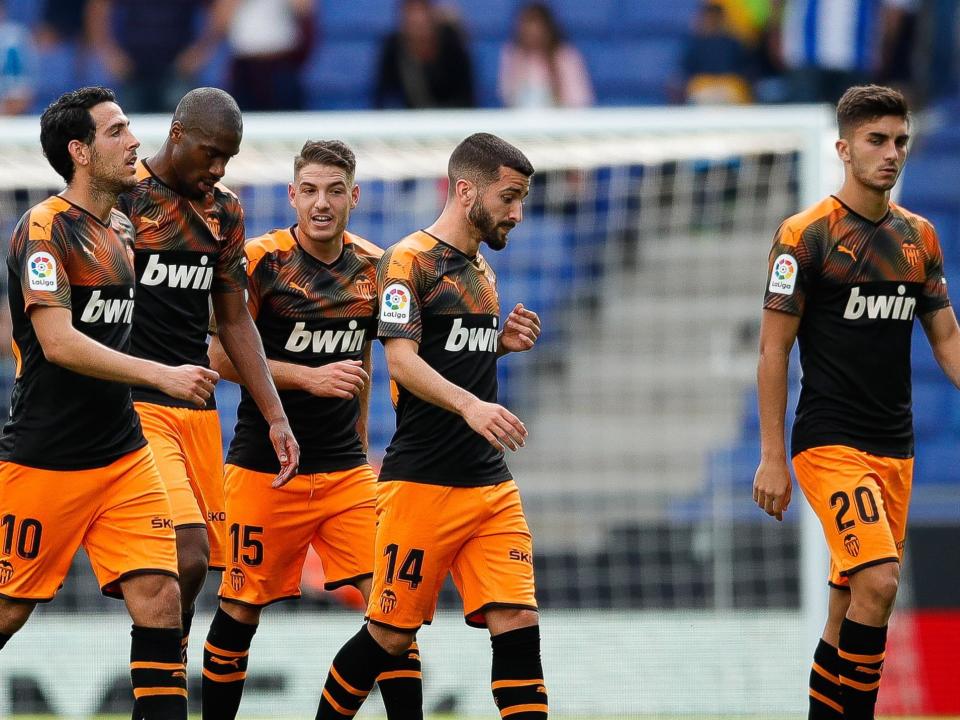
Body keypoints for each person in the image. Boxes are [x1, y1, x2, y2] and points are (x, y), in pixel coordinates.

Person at [0, 86, 221, 719]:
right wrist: (163, 375)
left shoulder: (117, 232)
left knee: (160, 594)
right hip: (48, 456)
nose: (134, 143)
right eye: (117, 131)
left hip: (123, 453)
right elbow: (60, 343)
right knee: (10, 607)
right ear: (80, 151)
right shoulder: (43, 229)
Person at [316, 133, 546, 719]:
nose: (517, 213)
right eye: (510, 197)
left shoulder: (481, 270)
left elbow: (451, 353)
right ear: (465, 190)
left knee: (517, 621)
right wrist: (472, 406)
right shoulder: (406, 261)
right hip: (422, 483)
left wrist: (498, 345)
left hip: (490, 485)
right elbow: (401, 361)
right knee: (389, 635)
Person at [753, 85, 960, 719]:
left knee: (850, 604)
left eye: (900, 140)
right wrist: (771, 457)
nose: (891, 153)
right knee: (880, 580)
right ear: (844, 148)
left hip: (895, 447)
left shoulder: (919, 237)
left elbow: (946, 335)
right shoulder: (806, 236)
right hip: (830, 440)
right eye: (876, 140)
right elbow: (773, 351)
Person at [200, 140, 422, 719]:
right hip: (263, 468)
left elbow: (367, 363)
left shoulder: (377, 267)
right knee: (241, 607)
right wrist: (308, 378)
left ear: (355, 196)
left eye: (335, 190)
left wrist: (363, 439)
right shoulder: (259, 262)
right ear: (292, 195)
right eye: (310, 190)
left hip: (345, 470)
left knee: (393, 611)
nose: (321, 203)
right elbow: (221, 356)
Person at [116, 87, 299, 716]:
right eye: (211, 153)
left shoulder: (224, 212)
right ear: (176, 134)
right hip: (136, 404)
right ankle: (159, 689)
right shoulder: (123, 198)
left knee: (197, 570)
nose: (218, 168)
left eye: (229, 157)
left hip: (198, 412)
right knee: (185, 553)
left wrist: (275, 413)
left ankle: (157, 680)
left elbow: (234, 322)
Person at [374, 0, 475, 109]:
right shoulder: (392, 48)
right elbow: (382, 98)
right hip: (408, 122)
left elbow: (467, 98)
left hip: (450, 120)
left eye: (422, 11)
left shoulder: (452, 44)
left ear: (432, 14)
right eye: (411, 12)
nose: (418, 19)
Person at [498, 1, 593, 109]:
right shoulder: (512, 55)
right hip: (522, 122)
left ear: (548, 29)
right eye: (528, 28)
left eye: (538, 28)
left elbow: (580, 100)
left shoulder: (565, 56)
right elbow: (507, 97)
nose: (533, 34)